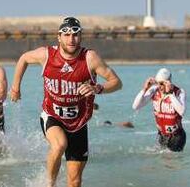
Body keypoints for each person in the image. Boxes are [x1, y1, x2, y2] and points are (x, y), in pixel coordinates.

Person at [10, 17, 122, 187]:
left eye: (76, 34)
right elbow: (24, 58)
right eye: (67, 34)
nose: (71, 39)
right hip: (52, 115)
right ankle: (49, 184)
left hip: (79, 123)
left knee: (75, 182)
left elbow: (116, 82)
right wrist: (15, 88)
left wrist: (97, 88)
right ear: (59, 37)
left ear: (81, 36)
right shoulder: (46, 55)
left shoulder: (90, 58)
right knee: (59, 145)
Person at [132, 68, 186, 152]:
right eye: (157, 83)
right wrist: (144, 89)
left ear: (168, 82)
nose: (159, 86)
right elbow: (135, 106)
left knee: (171, 162)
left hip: (177, 136)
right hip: (162, 135)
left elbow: (182, 112)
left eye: (161, 83)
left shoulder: (179, 92)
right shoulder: (154, 90)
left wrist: (170, 93)